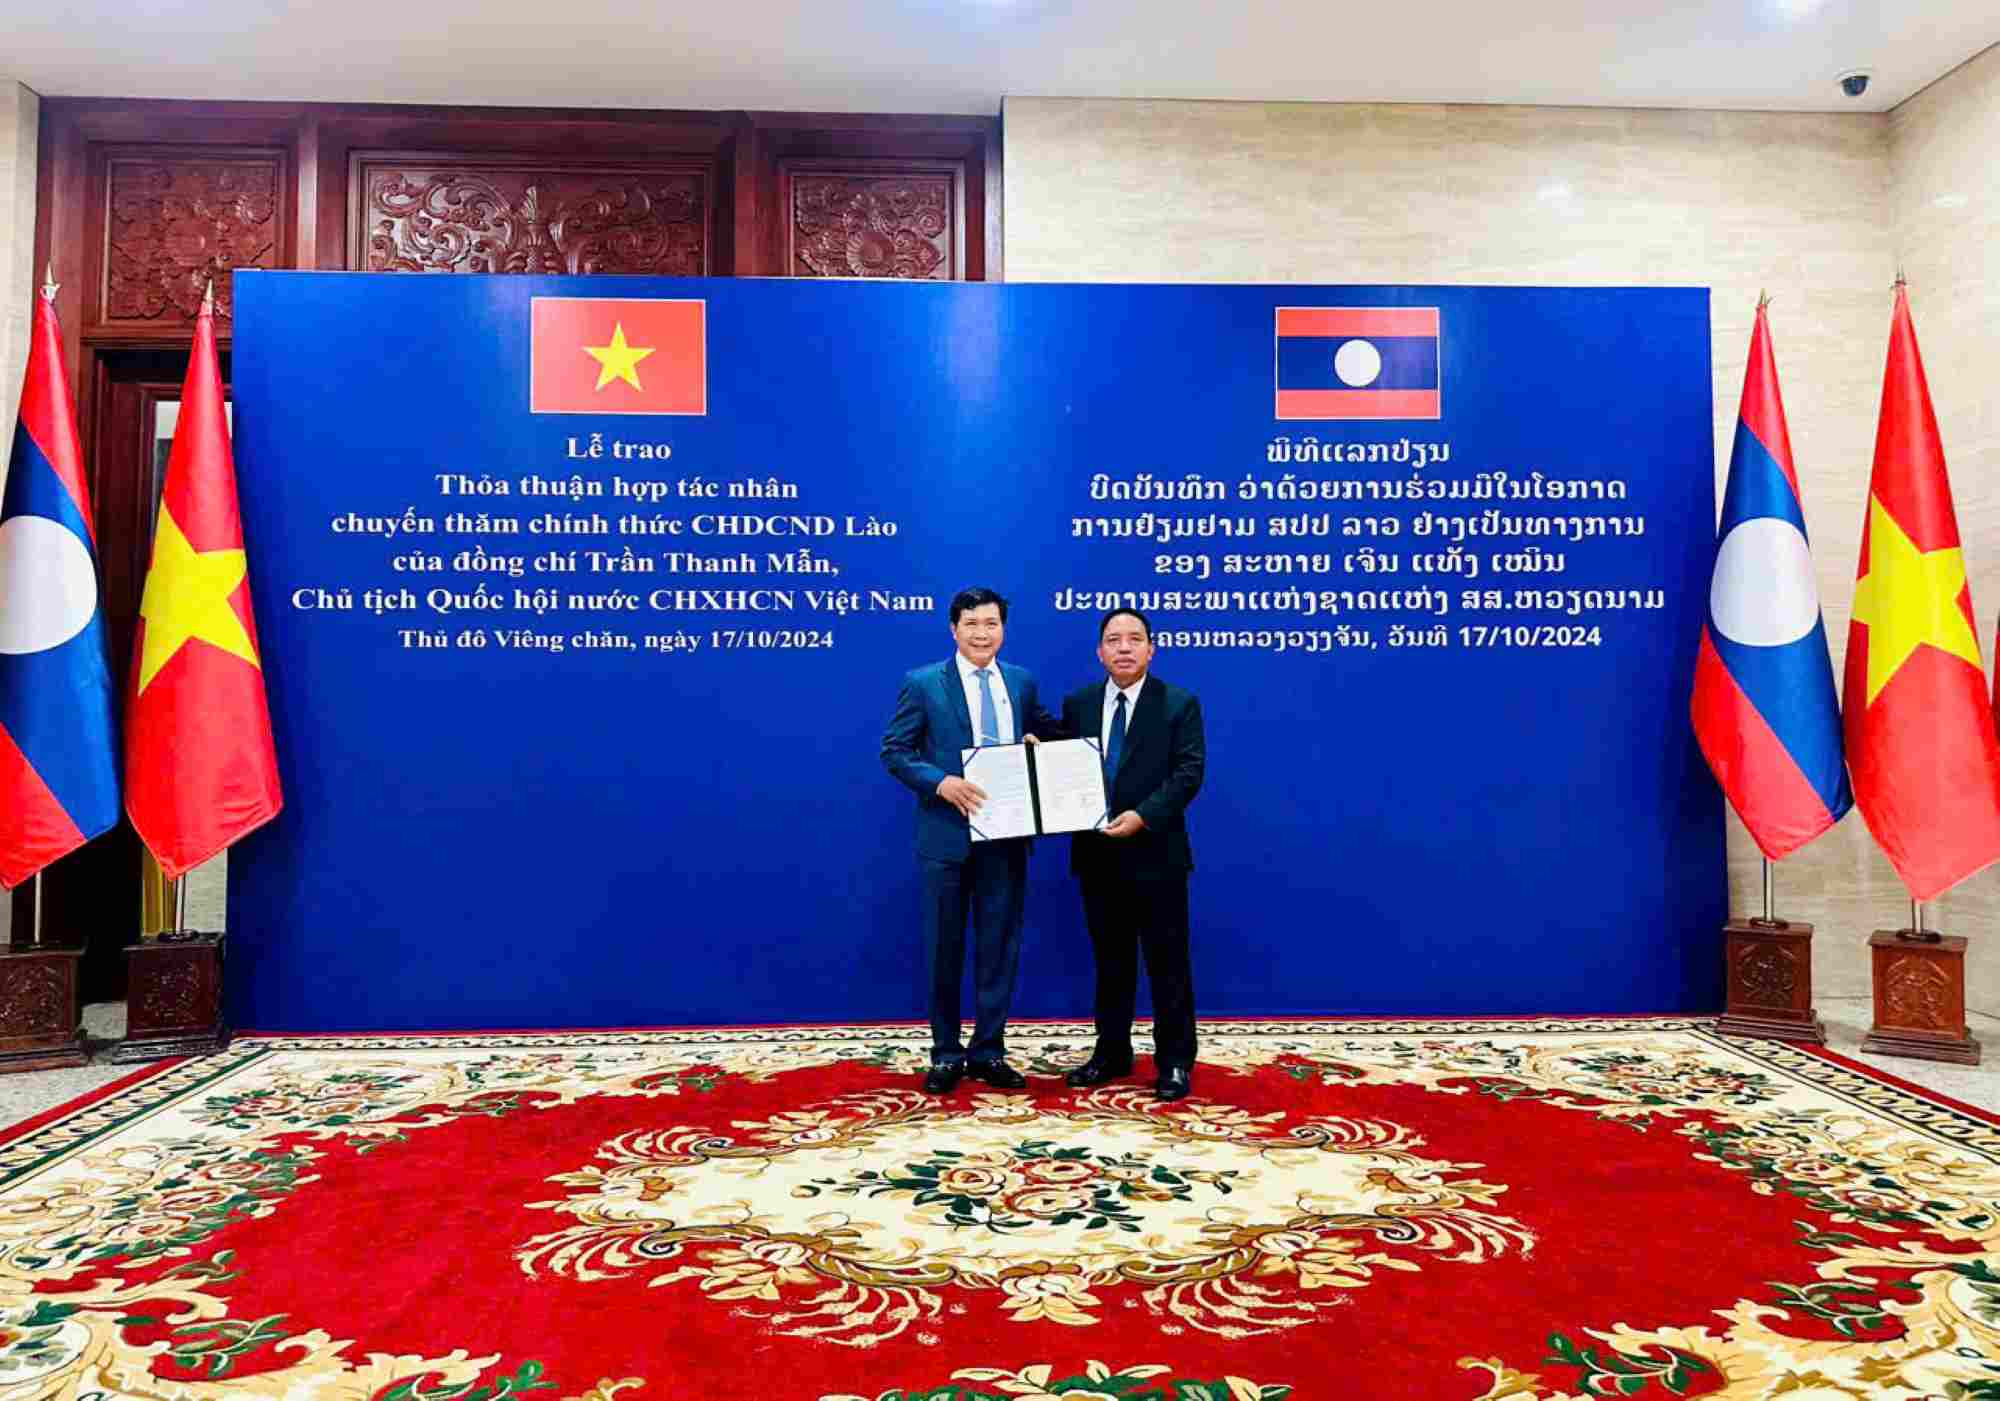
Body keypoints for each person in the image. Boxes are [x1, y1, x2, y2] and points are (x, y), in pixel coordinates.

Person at [881, 587, 1062, 1095]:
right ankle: (944, 1054)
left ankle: (989, 1051)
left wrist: (1039, 743)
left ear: (1004, 629)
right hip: (946, 838)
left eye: (992, 624)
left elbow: (1047, 732)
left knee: (998, 947)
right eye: (972, 624)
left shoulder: (1021, 682)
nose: (983, 634)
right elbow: (894, 751)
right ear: (954, 629)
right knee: (944, 947)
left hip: (1005, 837)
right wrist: (941, 783)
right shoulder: (922, 684)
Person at [1061, 607, 1206, 1101]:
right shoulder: (1077, 704)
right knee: (1111, 960)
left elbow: (1188, 774)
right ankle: (1111, 1052)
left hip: (1157, 853)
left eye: (1134, 639)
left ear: (1151, 648)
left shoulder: (1178, 703)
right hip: (1097, 855)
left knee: (1168, 961)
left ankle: (1174, 1061)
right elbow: (1064, 770)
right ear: (1099, 651)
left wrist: (1143, 815)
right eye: (1113, 639)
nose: (1124, 647)